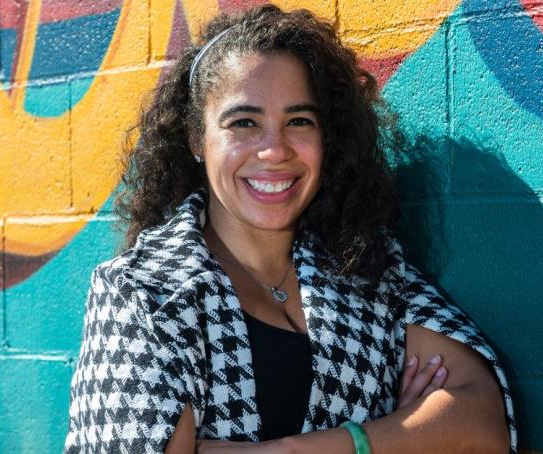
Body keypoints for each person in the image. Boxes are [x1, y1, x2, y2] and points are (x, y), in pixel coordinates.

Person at [64, 5, 515, 453]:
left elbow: (480, 421)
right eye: (244, 123)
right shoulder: (145, 294)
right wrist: (402, 436)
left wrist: (290, 450)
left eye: (299, 121)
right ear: (196, 137)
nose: (275, 150)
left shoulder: (366, 272)